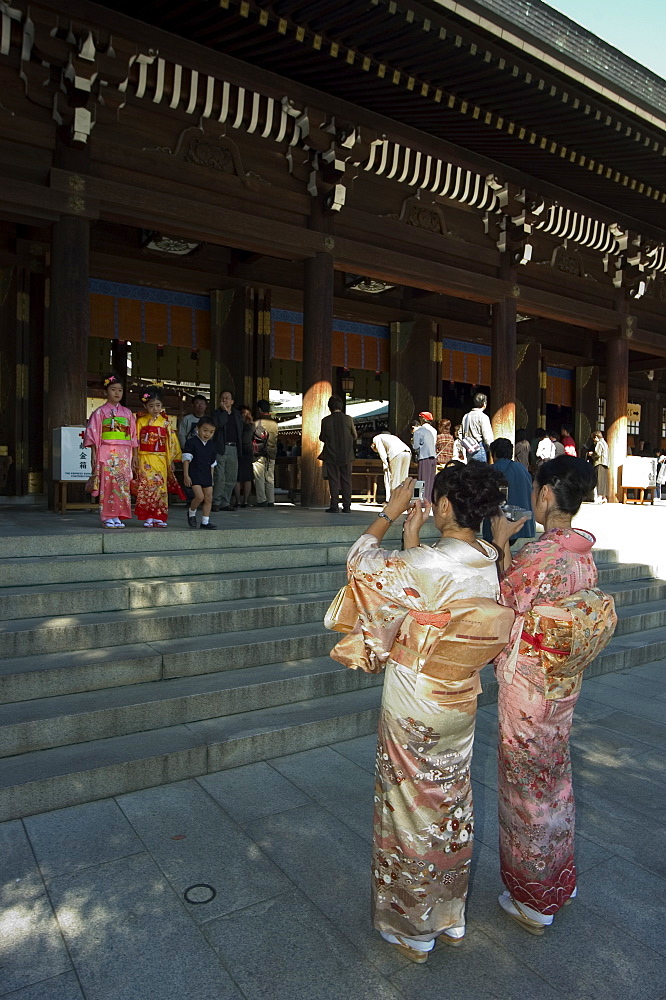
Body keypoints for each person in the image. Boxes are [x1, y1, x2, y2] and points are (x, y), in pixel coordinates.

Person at [333, 466, 515, 963]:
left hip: (417, 695)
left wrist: (390, 515)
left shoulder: (429, 563)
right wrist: (415, 541)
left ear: (449, 507)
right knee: (449, 802)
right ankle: (448, 913)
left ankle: (413, 926)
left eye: (438, 501)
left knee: (409, 804)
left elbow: (360, 564)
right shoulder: (487, 557)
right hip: (460, 696)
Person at [491, 456, 601, 935]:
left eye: (537, 487)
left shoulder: (542, 554)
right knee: (555, 779)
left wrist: (499, 545)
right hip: (563, 682)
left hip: (530, 684)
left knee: (526, 787)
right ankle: (560, 877)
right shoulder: (581, 551)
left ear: (549, 493)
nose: (534, 495)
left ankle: (534, 897)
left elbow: (506, 599)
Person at [83, 375, 137, 529]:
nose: (117, 393)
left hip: (124, 452)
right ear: (106, 392)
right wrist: (93, 454)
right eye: (113, 389)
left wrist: (134, 456)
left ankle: (118, 515)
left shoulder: (127, 413)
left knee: (122, 483)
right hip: (106, 451)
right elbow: (93, 435)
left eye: (120, 390)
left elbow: (133, 436)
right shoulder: (100, 412)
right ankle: (107, 515)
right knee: (107, 484)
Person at [134, 386, 185, 527]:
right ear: (145, 406)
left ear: (162, 405)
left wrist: (171, 461)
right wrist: (135, 457)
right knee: (146, 486)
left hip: (161, 458)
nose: (155, 409)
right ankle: (148, 516)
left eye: (158, 405)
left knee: (160, 487)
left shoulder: (165, 422)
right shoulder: (141, 421)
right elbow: (136, 440)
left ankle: (159, 516)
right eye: (151, 406)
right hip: (145, 457)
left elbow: (171, 442)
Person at [483, 438, 536, 543]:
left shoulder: (492, 470)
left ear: (494, 454)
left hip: (498, 521)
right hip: (521, 521)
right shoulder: (522, 469)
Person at [319, 395, 357, 512]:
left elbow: (322, 437)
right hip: (347, 454)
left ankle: (334, 505)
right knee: (346, 480)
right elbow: (354, 436)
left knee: (333, 480)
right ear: (341, 406)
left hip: (331, 454)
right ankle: (347, 506)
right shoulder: (348, 419)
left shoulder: (326, 420)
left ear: (329, 407)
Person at [182, 417, 218, 529]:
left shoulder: (212, 445)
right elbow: (186, 460)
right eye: (205, 430)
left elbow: (212, 464)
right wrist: (186, 475)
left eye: (211, 432)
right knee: (199, 496)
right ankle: (191, 512)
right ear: (198, 428)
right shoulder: (191, 442)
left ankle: (205, 521)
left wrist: (211, 478)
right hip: (194, 474)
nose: (207, 434)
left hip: (206, 474)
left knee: (208, 498)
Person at [212, 389, 243, 511]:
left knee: (231, 476)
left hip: (233, 447)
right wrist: (224, 412)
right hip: (221, 447)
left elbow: (240, 431)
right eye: (222, 398)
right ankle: (216, 502)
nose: (224, 400)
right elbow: (219, 424)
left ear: (232, 401)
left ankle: (225, 502)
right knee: (219, 476)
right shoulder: (216, 413)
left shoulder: (237, 414)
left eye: (227, 398)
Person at [252, 398, 279, 508]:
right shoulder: (275, 423)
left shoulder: (256, 423)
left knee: (259, 477)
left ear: (259, 409)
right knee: (270, 477)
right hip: (272, 453)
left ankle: (261, 500)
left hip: (259, 453)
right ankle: (271, 500)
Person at [371, 432, 411, 502]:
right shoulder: (392, 437)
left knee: (395, 478)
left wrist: (386, 464)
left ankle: (393, 500)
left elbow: (382, 453)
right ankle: (403, 499)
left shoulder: (376, 438)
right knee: (404, 477)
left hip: (395, 453)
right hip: (407, 452)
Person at [412, 411, 438, 500]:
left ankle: (418, 499)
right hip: (433, 456)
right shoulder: (433, 431)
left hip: (424, 456)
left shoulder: (418, 431)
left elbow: (415, 446)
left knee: (421, 479)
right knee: (430, 480)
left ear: (422, 419)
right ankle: (429, 500)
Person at [461, 393, 493, 463]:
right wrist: (491, 448)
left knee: (470, 471)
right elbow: (487, 436)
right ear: (484, 403)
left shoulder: (466, 416)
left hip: (468, 447)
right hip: (479, 447)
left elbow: (460, 433)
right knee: (480, 472)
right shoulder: (483, 417)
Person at [233, 405, 255, 509]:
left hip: (237, 450)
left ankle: (237, 500)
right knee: (247, 478)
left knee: (237, 477)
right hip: (247, 452)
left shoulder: (236, 424)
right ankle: (245, 500)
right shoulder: (251, 425)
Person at [591, 430, 609, 502]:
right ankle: (604, 497)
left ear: (596, 437)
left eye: (593, 438)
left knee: (599, 480)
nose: (594, 440)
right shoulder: (605, 443)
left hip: (599, 463)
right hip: (605, 463)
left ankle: (599, 496)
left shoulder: (599, 443)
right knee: (603, 481)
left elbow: (597, 453)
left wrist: (592, 454)